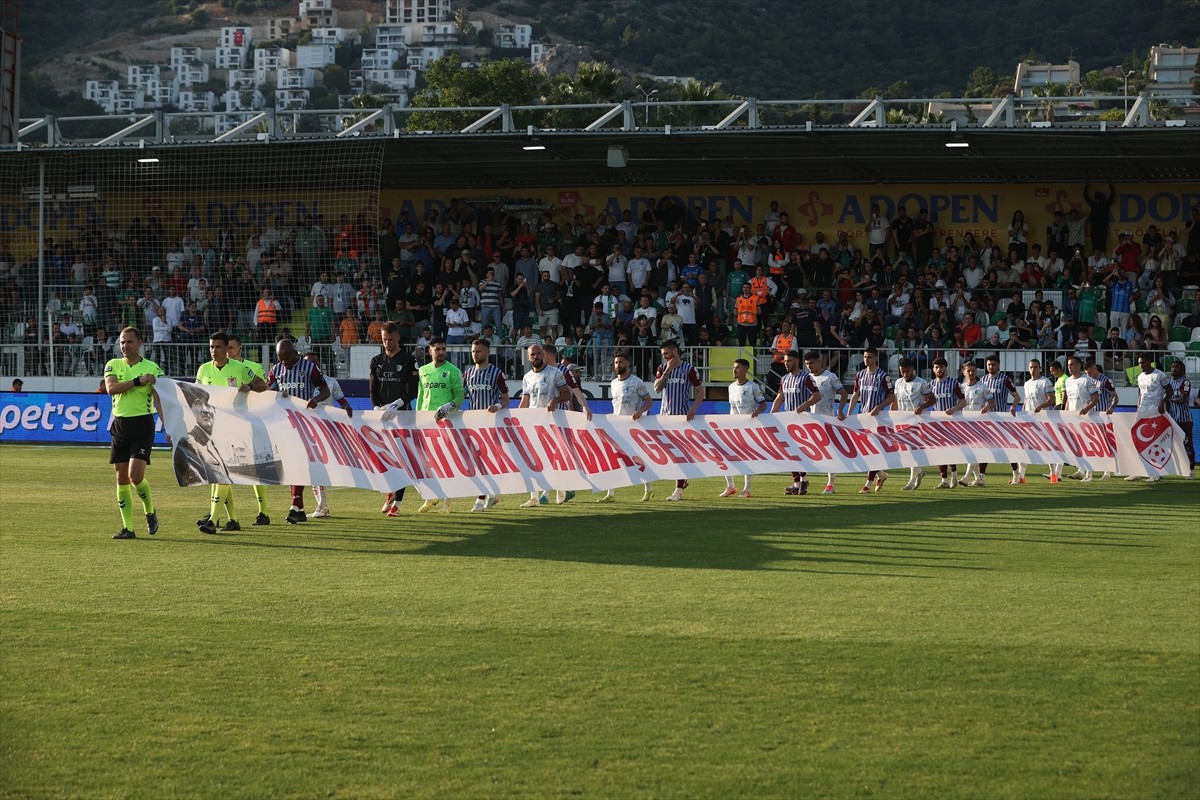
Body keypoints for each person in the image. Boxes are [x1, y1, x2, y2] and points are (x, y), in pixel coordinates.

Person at [191, 332, 267, 535]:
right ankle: (232, 519)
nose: (213, 350)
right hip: (211, 427)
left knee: (222, 472)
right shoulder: (204, 369)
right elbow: (196, 396)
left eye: (218, 347)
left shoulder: (240, 368)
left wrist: (250, 386)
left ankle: (213, 519)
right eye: (211, 347)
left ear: (226, 349)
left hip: (234, 426)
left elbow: (263, 384)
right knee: (217, 472)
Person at [103, 327, 163, 539]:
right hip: (120, 425)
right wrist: (138, 381)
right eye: (122, 342)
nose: (125, 346)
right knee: (121, 478)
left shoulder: (152, 368)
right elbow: (111, 388)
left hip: (142, 425)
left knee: (135, 476)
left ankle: (150, 511)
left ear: (140, 343)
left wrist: (168, 425)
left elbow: (159, 399)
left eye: (129, 342)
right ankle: (128, 528)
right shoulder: (113, 364)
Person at [268, 337, 330, 523]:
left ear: (294, 353)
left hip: (304, 423)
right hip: (284, 423)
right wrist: (276, 394)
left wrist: (316, 400)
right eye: (281, 359)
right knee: (290, 465)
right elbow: (269, 390)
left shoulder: (309, 368)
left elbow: (325, 390)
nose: (284, 362)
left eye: (287, 358)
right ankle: (300, 510)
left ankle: (294, 506)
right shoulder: (276, 370)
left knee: (299, 462)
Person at [372, 322, 421, 516]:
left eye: (390, 339)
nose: (387, 343)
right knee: (384, 458)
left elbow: (414, 390)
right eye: (384, 339)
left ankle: (397, 504)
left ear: (398, 338)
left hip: (402, 416)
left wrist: (398, 403)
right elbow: (373, 388)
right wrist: (376, 406)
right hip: (383, 416)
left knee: (401, 460)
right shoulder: (376, 361)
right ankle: (390, 492)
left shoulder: (409, 360)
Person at [413, 337, 465, 513]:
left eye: (443, 349)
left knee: (446, 462)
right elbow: (421, 396)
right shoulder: (423, 371)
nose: (441, 352)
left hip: (446, 423)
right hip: (427, 423)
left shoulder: (453, 371)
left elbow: (459, 396)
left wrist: (448, 406)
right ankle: (430, 496)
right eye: (438, 349)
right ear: (430, 351)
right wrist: (418, 417)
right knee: (427, 462)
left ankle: (448, 501)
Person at [518, 343, 570, 507]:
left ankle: (558, 487)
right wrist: (516, 419)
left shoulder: (555, 373)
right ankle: (534, 497)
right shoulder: (527, 377)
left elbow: (567, 394)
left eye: (538, 354)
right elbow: (525, 401)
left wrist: (555, 400)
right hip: (533, 422)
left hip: (551, 422)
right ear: (528, 358)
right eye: (532, 355)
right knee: (533, 459)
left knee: (550, 458)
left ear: (543, 354)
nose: (535, 357)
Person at [227, 334, 272, 523]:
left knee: (256, 468)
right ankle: (220, 512)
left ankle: (263, 512)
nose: (228, 351)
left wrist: (250, 387)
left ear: (240, 348)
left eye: (231, 348)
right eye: (226, 348)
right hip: (227, 424)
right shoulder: (217, 368)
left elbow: (264, 389)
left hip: (249, 422)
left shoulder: (253, 368)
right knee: (222, 467)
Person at [303, 352, 354, 517]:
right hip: (306, 429)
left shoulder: (331, 382)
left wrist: (348, 410)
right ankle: (321, 506)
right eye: (308, 363)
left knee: (319, 467)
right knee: (311, 468)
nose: (312, 365)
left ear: (319, 364)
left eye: (314, 362)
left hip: (325, 430)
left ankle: (322, 505)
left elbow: (342, 401)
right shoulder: (302, 384)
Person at [873, 357, 935, 490]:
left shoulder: (921, 383)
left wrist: (922, 407)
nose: (905, 374)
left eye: (907, 371)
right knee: (904, 452)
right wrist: (891, 416)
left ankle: (912, 481)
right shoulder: (898, 382)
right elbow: (895, 401)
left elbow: (932, 399)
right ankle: (919, 471)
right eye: (902, 371)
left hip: (916, 421)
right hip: (902, 421)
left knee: (913, 449)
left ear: (912, 369)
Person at [462, 336, 510, 511]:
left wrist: (497, 406)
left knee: (486, 461)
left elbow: (506, 399)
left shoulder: (497, 373)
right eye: (473, 351)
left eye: (478, 351)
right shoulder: (467, 373)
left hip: (491, 425)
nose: (475, 354)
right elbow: (461, 395)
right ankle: (490, 494)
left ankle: (481, 498)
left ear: (488, 352)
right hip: (473, 425)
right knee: (476, 461)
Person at [654, 340, 704, 501]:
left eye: (666, 353)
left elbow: (700, 391)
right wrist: (667, 371)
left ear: (675, 351)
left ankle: (679, 489)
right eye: (663, 354)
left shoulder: (688, 369)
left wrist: (693, 408)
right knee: (669, 453)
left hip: (681, 418)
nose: (664, 356)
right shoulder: (662, 368)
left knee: (679, 454)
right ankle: (683, 479)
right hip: (665, 418)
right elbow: (657, 388)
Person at [601, 350, 654, 503]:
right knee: (613, 458)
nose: (618, 365)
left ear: (628, 364)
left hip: (632, 426)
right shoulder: (613, 383)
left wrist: (640, 412)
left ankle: (648, 488)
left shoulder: (636, 382)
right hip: (616, 426)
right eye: (616, 363)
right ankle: (611, 493)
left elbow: (649, 400)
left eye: (621, 362)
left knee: (637, 458)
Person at [769, 350, 823, 496]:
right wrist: (771, 416)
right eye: (785, 361)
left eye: (789, 361)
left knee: (800, 453)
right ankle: (797, 484)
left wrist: (804, 406)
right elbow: (779, 398)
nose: (786, 364)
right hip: (787, 421)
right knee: (790, 453)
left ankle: (803, 481)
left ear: (797, 361)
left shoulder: (805, 377)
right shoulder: (785, 378)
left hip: (802, 421)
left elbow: (817, 396)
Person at [840, 347, 891, 493]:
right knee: (864, 450)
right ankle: (880, 474)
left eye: (869, 357)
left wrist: (879, 407)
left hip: (877, 418)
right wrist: (849, 414)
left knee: (872, 451)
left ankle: (868, 484)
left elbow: (891, 397)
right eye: (865, 357)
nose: (866, 360)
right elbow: (855, 394)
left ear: (876, 358)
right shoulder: (860, 374)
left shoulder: (883, 376)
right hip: (863, 417)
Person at [719, 358, 767, 498]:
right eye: (734, 367)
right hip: (732, 428)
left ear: (745, 370)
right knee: (726, 455)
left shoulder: (753, 387)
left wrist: (757, 412)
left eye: (738, 367)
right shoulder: (731, 387)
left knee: (747, 457)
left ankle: (746, 489)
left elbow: (763, 404)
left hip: (747, 428)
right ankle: (730, 486)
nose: (734, 370)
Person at [803, 351, 849, 494]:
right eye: (807, 364)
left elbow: (843, 394)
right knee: (805, 450)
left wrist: (840, 409)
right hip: (810, 420)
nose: (809, 366)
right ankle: (802, 481)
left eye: (812, 363)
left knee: (830, 452)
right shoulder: (806, 378)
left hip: (827, 419)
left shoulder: (830, 377)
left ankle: (830, 483)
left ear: (819, 361)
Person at [1125, 353, 1173, 483]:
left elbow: (1170, 391)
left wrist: (1163, 402)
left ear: (1150, 362)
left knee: (1155, 443)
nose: (1141, 365)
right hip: (1142, 412)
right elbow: (1140, 393)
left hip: (1155, 412)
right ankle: (1138, 471)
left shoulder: (1160, 375)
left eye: (1143, 363)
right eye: (1140, 363)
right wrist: (1138, 408)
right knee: (1137, 441)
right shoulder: (1140, 376)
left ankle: (1156, 472)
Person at [980, 354, 1022, 485]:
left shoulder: (1004, 379)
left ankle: (1016, 473)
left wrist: (1013, 406)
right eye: (989, 364)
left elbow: (1017, 397)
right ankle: (981, 476)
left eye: (993, 364)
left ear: (998, 365)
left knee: (1008, 447)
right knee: (985, 448)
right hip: (987, 420)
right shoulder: (983, 380)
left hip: (1002, 420)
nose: (991, 367)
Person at [929, 357, 967, 488]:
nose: (939, 370)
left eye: (941, 367)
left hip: (951, 423)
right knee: (939, 451)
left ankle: (954, 473)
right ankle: (944, 480)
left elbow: (963, 401)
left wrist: (954, 409)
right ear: (933, 369)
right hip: (937, 423)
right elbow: (926, 401)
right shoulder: (931, 385)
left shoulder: (954, 383)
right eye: (936, 367)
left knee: (950, 450)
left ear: (946, 368)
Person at [958, 361, 995, 487]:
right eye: (968, 370)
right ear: (963, 372)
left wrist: (987, 407)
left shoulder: (982, 387)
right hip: (965, 423)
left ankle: (966, 477)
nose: (971, 373)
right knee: (969, 451)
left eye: (973, 370)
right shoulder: (961, 387)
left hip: (979, 424)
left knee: (974, 451)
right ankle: (978, 478)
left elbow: (992, 402)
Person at [1063, 355, 1100, 481]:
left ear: (1079, 365)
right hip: (1072, 418)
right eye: (1068, 365)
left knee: (1087, 445)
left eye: (1072, 364)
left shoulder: (1087, 380)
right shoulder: (1068, 381)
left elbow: (1095, 398)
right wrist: (1066, 413)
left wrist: (1086, 409)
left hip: (1086, 418)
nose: (1070, 367)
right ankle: (1081, 470)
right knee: (1077, 446)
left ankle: (1089, 474)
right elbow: (1068, 399)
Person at [1022, 358, 1060, 483]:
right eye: (1031, 367)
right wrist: (1022, 413)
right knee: (1025, 447)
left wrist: (1041, 407)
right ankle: (1020, 476)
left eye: (1035, 367)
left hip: (1042, 419)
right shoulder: (1027, 383)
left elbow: (1052, 399)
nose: (1033, 369)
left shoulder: (1045, 382)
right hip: (1029, 419)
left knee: (1047, 447)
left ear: (1040, 369)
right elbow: (1026, 400)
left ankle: (1053, 474)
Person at [1167, 360, 1195, 480]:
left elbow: (1182, 399)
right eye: (1172, 366)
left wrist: (1168, 399)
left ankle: (1191, 470)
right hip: (1172, 418)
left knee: (1187, 444)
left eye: (1176, 367)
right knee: (1169, 444)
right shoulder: (1168, 382)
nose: (1173, 369)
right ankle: (1170, 468)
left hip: (1184, 419)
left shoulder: (1185, 382)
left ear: (1182, 370)